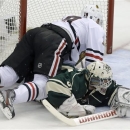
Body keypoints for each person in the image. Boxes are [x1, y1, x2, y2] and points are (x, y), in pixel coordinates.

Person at [0, 4, 105, 119]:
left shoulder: (72, 20)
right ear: (97, 19)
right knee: (45, 84)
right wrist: (95, 87)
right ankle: (11, 96)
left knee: (10, 72)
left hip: (35, 33)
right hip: (54, 41)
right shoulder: (95, 27)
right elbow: (95, 66)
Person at [46, 61, 130, 118]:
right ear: (90, 76)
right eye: (101, 80)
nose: (104, 84)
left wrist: (124, 98)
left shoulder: (105, 87)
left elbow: (117, 90)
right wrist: (73, 107)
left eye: (106, 80)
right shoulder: (75, 79)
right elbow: (53, 83)